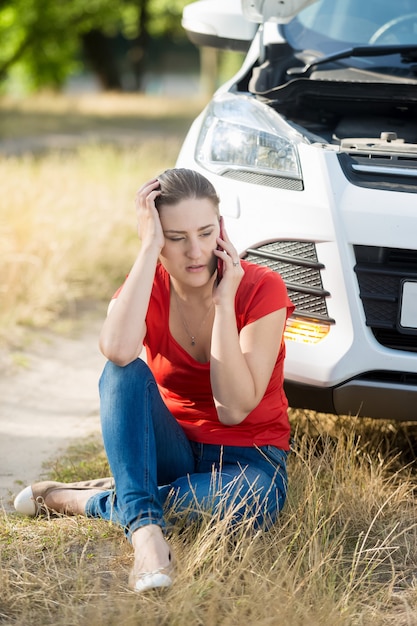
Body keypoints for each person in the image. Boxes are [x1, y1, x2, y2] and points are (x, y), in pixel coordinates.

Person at [14, 168, 294, 593]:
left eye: (204, 232)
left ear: (222, 230)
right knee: (121, 371)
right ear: (157, 236)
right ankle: (146, 534)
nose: (196, 251)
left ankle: (95, 498)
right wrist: (147, 252)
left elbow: (234, 410)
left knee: (243, 502)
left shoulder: (261, 289)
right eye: (175, 237)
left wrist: (223, 306)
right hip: (172, 450)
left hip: (250, 464)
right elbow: (118, 353)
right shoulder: (149, 283)